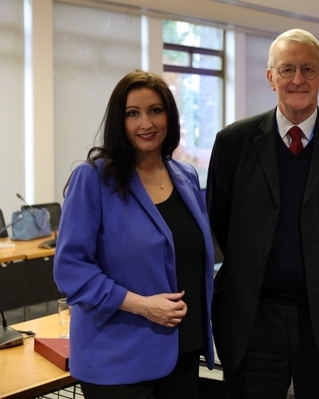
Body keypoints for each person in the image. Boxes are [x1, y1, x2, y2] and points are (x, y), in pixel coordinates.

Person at [207, 28, 319, 398]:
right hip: (253, 320)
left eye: (308, 69)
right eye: (286, 70)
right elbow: (220, 219)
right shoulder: (232, 143)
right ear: (270, 78)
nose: (297, 79)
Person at [54, 70, 215, 398]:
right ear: (119, 120)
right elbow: (71, 269)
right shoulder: (93, 179)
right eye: (133, 113)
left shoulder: (184, 175)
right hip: (118, 363)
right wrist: (143, 306)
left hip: (183, 353)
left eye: (156, 110)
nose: (147, 123)